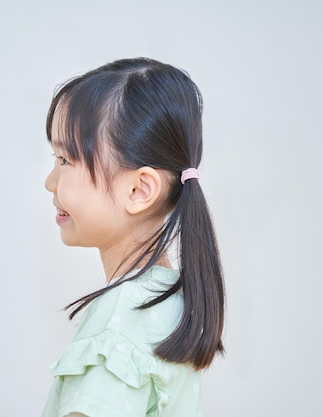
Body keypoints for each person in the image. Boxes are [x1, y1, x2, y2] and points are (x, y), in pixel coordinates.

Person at [41, 57, 225, 417]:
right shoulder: (167, 301)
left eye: (65, 160)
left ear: (140, 189)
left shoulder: (120, 317)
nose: (50, 182)